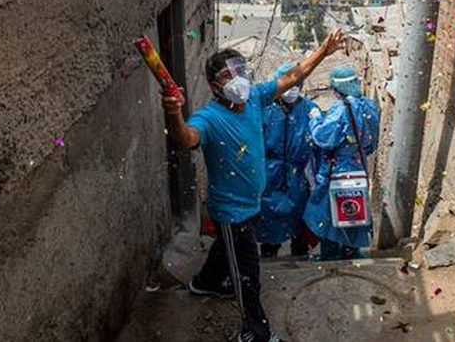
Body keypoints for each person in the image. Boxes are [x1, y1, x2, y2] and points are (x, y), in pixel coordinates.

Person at [161, 30, 346, 342]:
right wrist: (173, 113)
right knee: (247, 275)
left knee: (226, 249)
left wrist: (323, 51)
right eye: (227, 75)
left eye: (240, 71)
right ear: (214, 86)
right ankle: (255, 332)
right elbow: (186, 138)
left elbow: (293, 75)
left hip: (252, 203)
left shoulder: (256, 99)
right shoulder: (209, 117)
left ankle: (205, 282)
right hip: (232, 212)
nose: (237, 80)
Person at [303, 64, 380, 261]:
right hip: (358, 165)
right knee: (354, 208)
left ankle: (330, 254)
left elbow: (323, 138)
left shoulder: (340, 109)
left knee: (327, 210)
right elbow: (371, 142)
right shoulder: (369, 106)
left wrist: (315, 119)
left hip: (337, 167)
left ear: (337, 88)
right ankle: (352, 251)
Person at [257, 63, 319, 258]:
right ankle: (269, 252)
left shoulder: (310, 110)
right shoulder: (264, 109)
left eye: (296, 85)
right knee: (269, 219)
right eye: (288, 85)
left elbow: (320, 144)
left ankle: (299, 254)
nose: (292, 90)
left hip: (298, 175)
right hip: (269, 173)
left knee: (299, 219)